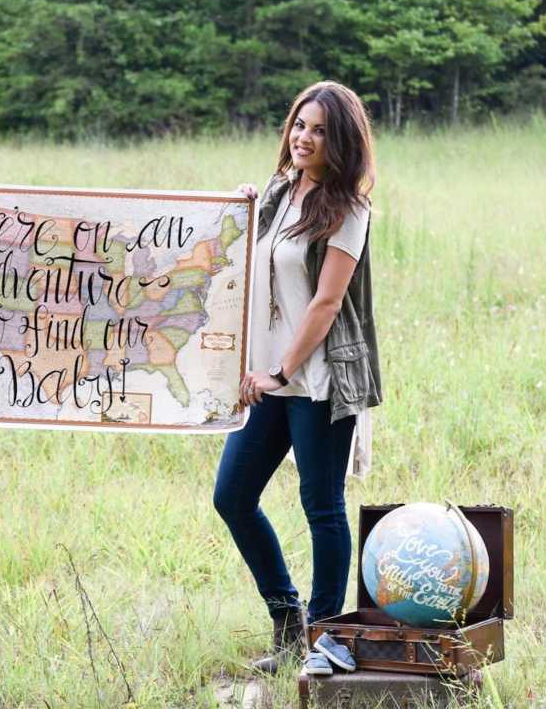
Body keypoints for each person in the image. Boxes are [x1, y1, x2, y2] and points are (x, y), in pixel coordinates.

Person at [213, 81, 381, 674]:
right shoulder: (279, 194)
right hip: (265, 379)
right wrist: (239, 210)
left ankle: (328, 637)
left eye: (319, 130)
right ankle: (289, 623)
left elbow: (326, 302)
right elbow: (238, 265)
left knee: (322, 505)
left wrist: (280, 369)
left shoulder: (349, 210)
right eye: (299, 125)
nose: (304, 138)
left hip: (316, 380)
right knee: (231, 496)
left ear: (342, 142)